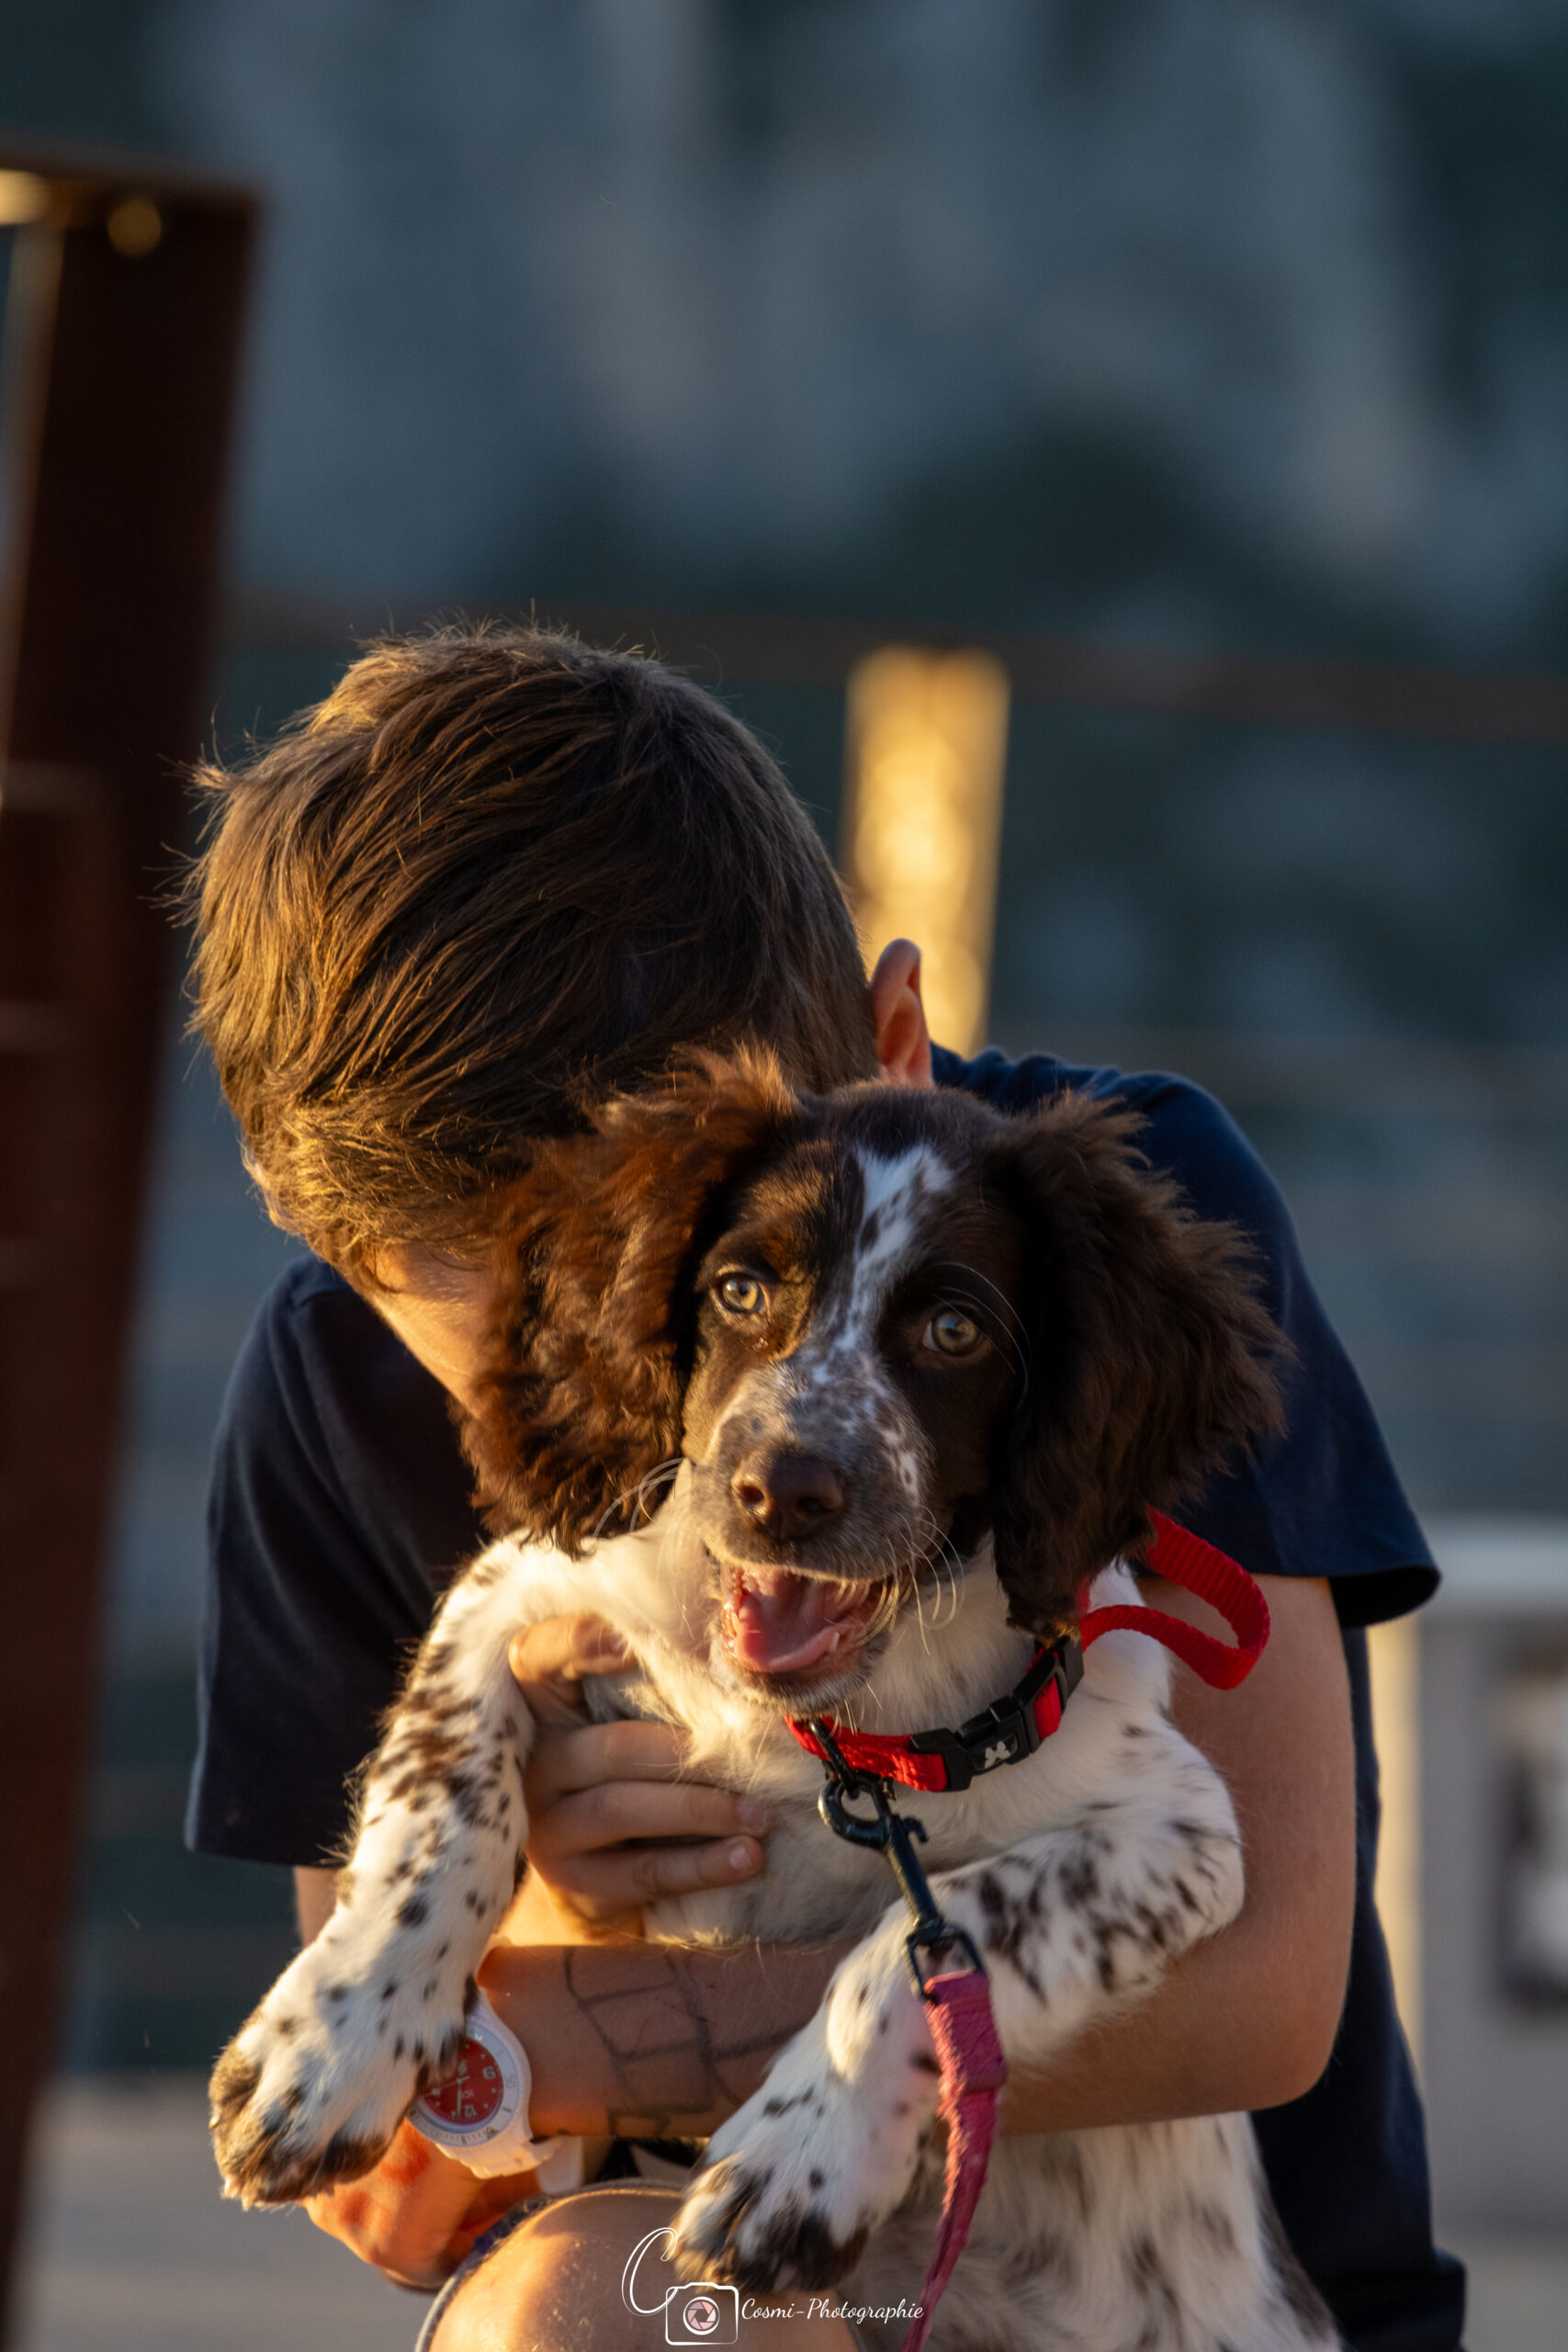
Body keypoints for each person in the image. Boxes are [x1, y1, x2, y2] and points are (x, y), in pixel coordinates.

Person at [185, 623, 1464, 2352]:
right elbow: (386, 2177)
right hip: (735, 2305)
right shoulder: (329, 1383)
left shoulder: (1096, 1237)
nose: (614, 1384)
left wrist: (579, 2023)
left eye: (673, 1268)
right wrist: (542, 1895)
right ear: (325, 1238)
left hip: (1185, 2304)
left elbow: (1260, 1997)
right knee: (573, 2311)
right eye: (501, 1319)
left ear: (890, 1042)